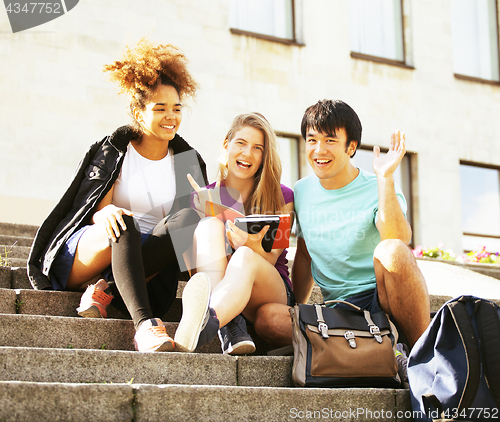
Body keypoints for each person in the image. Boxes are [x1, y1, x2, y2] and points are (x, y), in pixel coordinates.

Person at [27, 39, 209, 353]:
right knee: (124, 222)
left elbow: (186, 239)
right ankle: (146, 327)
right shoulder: (115, 150)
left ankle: (104, 290)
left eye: (176, 109)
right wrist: (106, 213)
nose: (171, 117)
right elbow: (92, 208)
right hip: (93, 246)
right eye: (160, 108)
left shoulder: (187, 161)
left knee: (190, 218)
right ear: (138, 112)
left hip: (142, 263)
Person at [252, 99, 430, 351]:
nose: (319, 150)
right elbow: (304, 255)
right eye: (312, 140)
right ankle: (374, 344)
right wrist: (297, 307)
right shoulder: (302, 190)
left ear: (351, 147)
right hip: (337, 312)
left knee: (392, 251)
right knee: (269, 319)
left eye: (330, 140)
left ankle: (422, 352)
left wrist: (386, 178)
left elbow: (397, 240)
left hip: (382, 301)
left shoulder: (378, 186)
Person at [171, 112, 295, 354]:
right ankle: (230, 325)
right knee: (208, 226)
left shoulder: (282, 196)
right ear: (227, 145)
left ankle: (208, 323)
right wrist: (204, 213)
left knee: (244, 256)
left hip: (269, 290)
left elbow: (271, 257)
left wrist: (247, 242)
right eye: (241, 143)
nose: (247, 153)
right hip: (221, 283)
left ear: (264, 156)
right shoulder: (203, 194)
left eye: (257, 148)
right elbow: (191, 266)